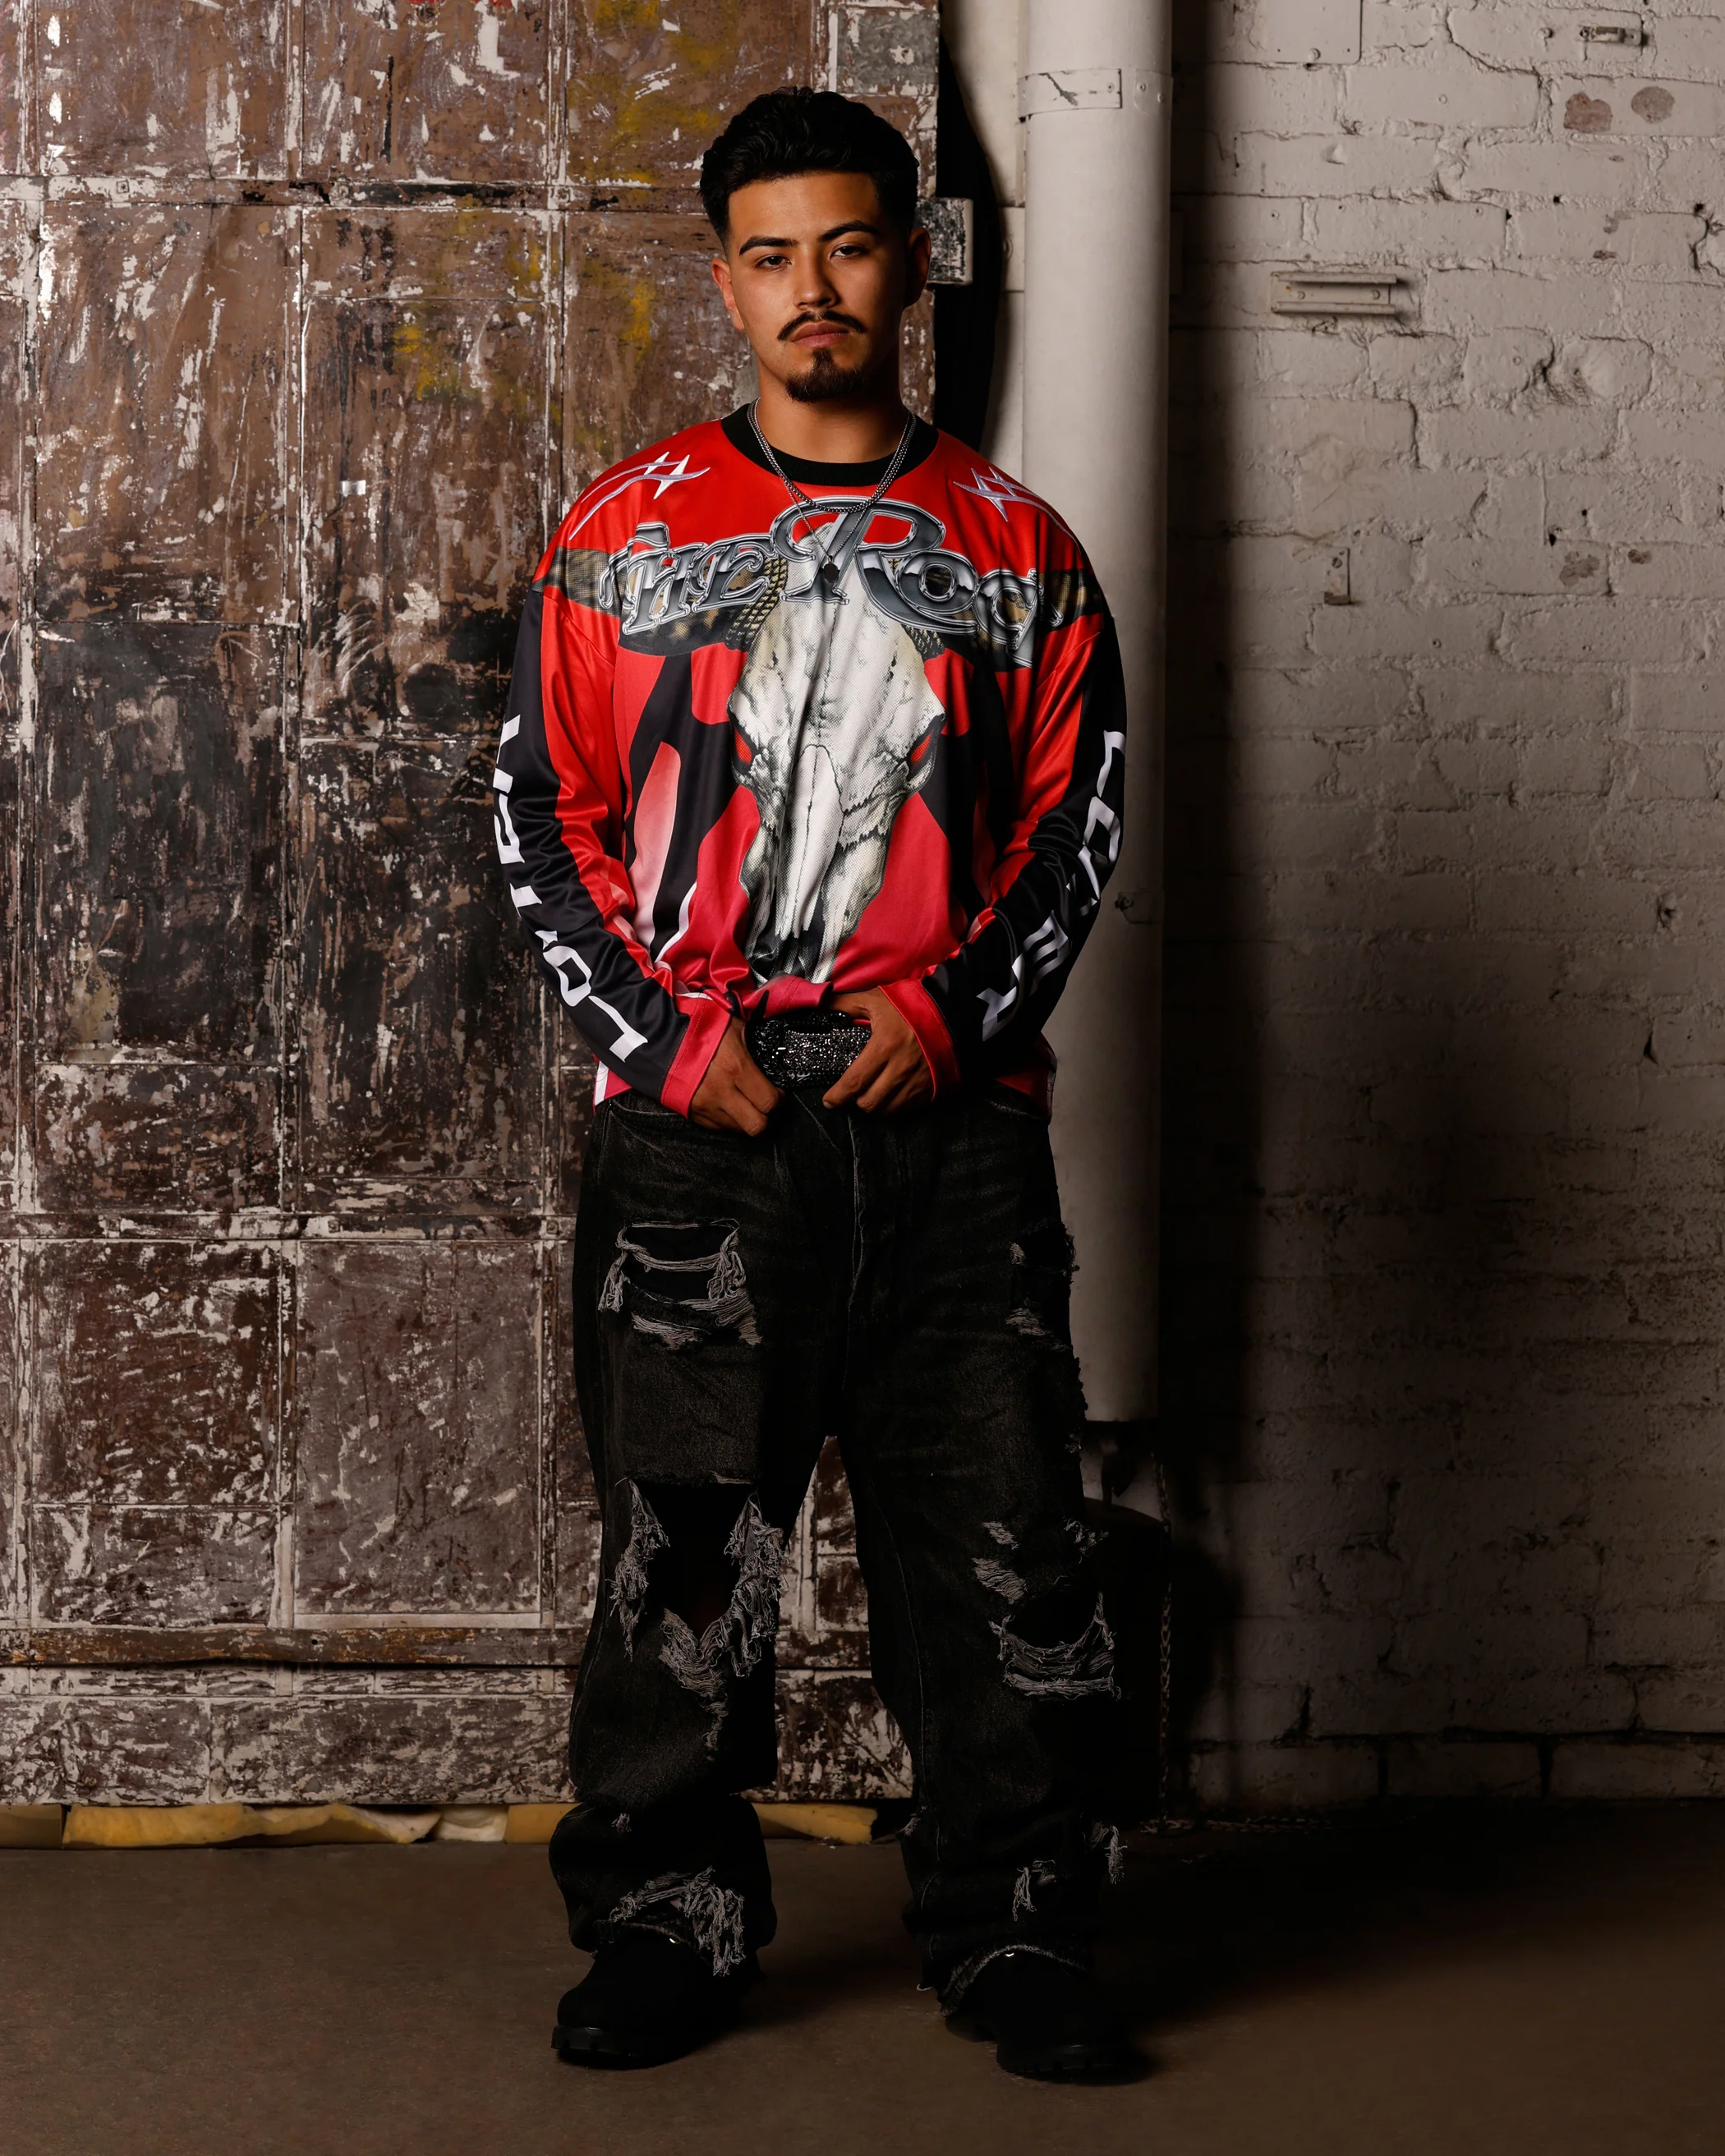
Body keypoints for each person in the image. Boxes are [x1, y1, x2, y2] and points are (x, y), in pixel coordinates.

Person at [492, 85, 1134, 2082]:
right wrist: (663, 1038)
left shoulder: (1018, 552)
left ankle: (1016, 1925)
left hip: (952, 1133)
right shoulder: (620, 534)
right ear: (727, 284)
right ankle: (668, 1917)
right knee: (683, 1558)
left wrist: (960, 1014)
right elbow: (541, 812)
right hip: (704, 1136)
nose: (813, 289)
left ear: (910, 264)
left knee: (1007, 1548)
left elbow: (1076, 823)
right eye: (771, 257)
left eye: (849, 246)